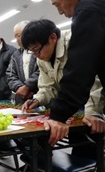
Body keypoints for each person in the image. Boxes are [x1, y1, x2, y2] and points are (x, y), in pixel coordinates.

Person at [21, 19, 104, 160]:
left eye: (37, 50)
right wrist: (37, 99)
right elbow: (48, 87)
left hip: (92, 100)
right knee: (68, 139)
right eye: (32, 52)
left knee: (88, 138)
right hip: (72, 103)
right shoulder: (42, 58)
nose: (36, 55)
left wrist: (94, 112)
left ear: (53, 38)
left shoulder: (76, 42)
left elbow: (95, 79)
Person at [40, 0, 105, 146]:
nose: (60, 11)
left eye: (58, 5)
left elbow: (82, 67)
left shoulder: (89, 9)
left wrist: (58, 115)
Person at [6, 20, 39, 105]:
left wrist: (28, 86)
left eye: (19, 36)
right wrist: (19, 88)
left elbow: (43, 71)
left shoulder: (40, 50)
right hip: (21, 99)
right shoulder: (15, 55)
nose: (17, 39)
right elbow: (10, 74)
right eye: (15, 36)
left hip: (40, 97)